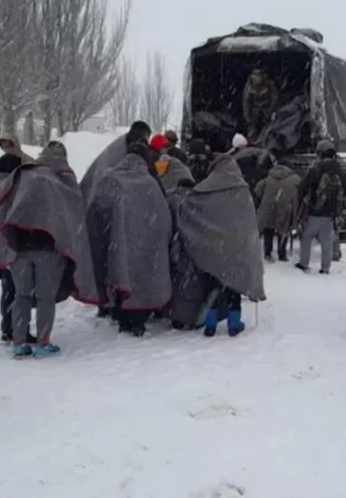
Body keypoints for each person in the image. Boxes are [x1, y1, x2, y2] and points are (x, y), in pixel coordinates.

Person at [0, 144, 98, 358]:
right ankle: (43, 343)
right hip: (50, 251)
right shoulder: (63, 181)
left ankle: (19, 343)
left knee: (21, 296)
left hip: (20, 250)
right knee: (45, 298)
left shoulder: (23, 175)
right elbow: (73, 218)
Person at [169, 145, 265, 335]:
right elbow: (249, 223)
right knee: (233, 288)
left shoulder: (204, 188)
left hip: (212, 247)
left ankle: (211, 324)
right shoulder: (243, 190)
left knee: (212, 287)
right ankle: (233, 324)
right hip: (237, 248)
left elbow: (188, 206)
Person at [88, 142, 173, 337]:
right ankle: (137, 320)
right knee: (141, 279)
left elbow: (95, 210)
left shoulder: (109, 178)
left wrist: (108, 232)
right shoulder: (149, 182)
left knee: (120, 271)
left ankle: (119, 312)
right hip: (144, 243)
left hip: (116, 242)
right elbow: (163, 218)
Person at [0, 153, 38, 345]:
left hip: (1, 245)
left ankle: (7, 328)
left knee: (8, 289)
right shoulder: (16, 189)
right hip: (17, 246)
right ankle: (19, 329)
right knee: (21, 292)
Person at [296, 139, 346, 274]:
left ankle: (303, 263)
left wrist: (303, 200)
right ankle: (325, 268)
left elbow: (304, 186)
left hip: (316, 209)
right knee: (327, 240)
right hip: (332, 212)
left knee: (306, 236)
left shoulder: (317, 168)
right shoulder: (340, 170)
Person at [79, 121, 152, 206]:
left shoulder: (125, 142)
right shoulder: (121, 153)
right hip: (91, 197)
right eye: (146, 140)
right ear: (142, 137)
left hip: (87, 195)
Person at [254, 159, 301, 262]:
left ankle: (267, 253)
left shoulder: (268, 178)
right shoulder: (295, 179)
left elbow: (257, 191)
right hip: (285, 209)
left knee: (268, 231)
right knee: (283, 230)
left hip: (268, 208)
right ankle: (282, 253)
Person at [242, 68, 278, 140]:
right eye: (254, 75)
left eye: (258, 76)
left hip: (267, 109)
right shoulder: (249, 86)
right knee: (252, 130)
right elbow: (246, 102)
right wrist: (248, 118)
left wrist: (272, 110)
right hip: (255, 110)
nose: (256, 78)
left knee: (271, 127)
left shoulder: (269, 84)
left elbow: (275, 98)